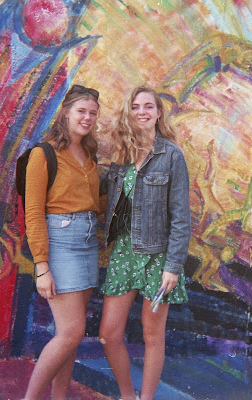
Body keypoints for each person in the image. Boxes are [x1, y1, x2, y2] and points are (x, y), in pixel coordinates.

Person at [99, 85, 191, 400]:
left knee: (153, 336)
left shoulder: (172, 155)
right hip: (124, 252)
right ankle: (128, 395)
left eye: (148, 106)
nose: (142, 111)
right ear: (130, 112)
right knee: (108, 335)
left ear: (158, 112)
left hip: (157, 255)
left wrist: (173, 267)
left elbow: (181, 216)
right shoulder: (121, 156)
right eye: (136, 106)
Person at [23, 84, 102, 400]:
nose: (87, 117)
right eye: (81, 111)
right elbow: (33, 213)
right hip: (60, 244)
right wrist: (42, 266)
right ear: (66, 112)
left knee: (70, 334)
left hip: (87, 243)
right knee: (71, 332)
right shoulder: (43, 154)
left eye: (93, 113)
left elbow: (95, 201)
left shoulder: (90, 153)